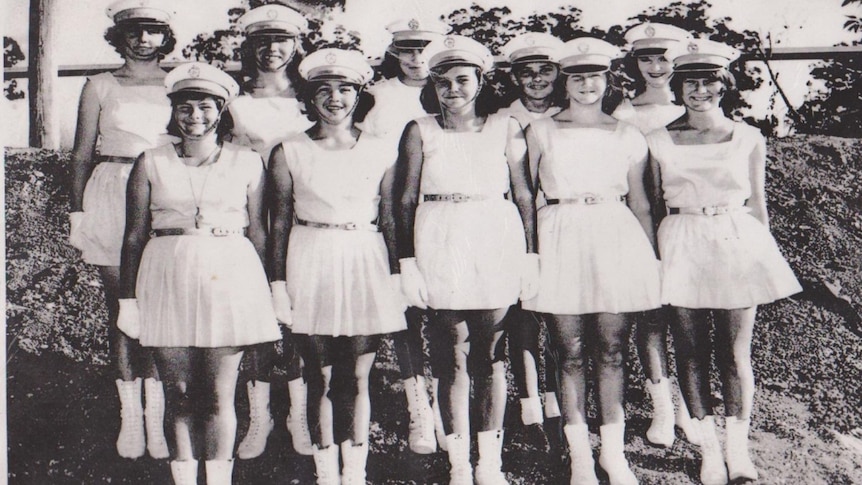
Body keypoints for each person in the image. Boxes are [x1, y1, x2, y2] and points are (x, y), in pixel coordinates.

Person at [646, 38, 802, 485]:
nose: (700, 91)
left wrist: (762, 259)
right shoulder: (657, 139)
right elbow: (655, 204)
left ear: (724, 85)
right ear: (678, 87)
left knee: (735, 354)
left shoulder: (749, 136)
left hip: (735, 240)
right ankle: (709, 452)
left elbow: (759, 205)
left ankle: (738, 452)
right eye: (690, 83)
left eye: (709, 81)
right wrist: (656, 258)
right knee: (690, 350)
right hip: (681, 240)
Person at [119, 61, 282, 484]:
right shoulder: (150, 161)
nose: (195, 117)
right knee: (179, 394)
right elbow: (134, 236)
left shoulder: (247, 162)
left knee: (216, 396)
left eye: (206, 107)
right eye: (185, 108)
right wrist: (128, 300)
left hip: (230, 277)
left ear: (222, 110)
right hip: (165, 276)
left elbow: (260, 232)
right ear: (172, 112)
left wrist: (269, 290)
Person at [395, 34, 538, 485]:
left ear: (481, 81)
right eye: (443, 82)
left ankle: (489, 464)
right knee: (451, 356)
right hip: (439, 237)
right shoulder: (420, 129)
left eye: (462, 80)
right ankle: (459, 464)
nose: (452, 89)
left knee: (492, 355)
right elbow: (403, 200)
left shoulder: (505, 127)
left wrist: (531, 256)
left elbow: (523, 194)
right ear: (432, 86)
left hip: (494, 236)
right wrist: (408, 261)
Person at [522, 37, 662, 485]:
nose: (586, 84)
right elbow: (525, 196)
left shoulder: (627, 133)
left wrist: (652, 261)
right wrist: (529, 256)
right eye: (577, 76)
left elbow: (640, 202)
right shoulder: (540, 130)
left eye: (595, 76)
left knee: (613, 349)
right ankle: (580, 455)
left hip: (614, 236)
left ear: (608, 80)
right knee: (569, 351)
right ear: (565, 82)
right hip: (560, 234)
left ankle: (613, 454)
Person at [268, 48, 407, 485]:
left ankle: (356, 474)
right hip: (310, 257)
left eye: (345, 89)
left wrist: (400, 275)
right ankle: (327, 473)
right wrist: (277, 283)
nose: (334, 98)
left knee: (359, 375)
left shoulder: (383, 150)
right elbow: (279, 223)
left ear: (358, 94)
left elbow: (388, 218)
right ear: (309, 98)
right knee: (321, 374)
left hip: (365, 260)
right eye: (323, 90)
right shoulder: (287, 150)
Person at [68, 0, 177, 460]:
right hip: (112, 190)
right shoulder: (99, 85)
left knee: (160, 308)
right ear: (120, 37)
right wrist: (77, 214)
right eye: (134, 31)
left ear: (165, 37)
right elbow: (80, 155)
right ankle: (132, 420)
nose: (143, 39)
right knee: (123, 308)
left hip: (165, 191)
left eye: (153, 31)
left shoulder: (180, 82)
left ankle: (159, 419)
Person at [360, 16, 448, 455]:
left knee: (451, 317)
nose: (417, 59)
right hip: (394, 214)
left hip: (448, 216)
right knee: (404, 314)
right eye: (408, 50)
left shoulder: (460, 89)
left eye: (425, 49)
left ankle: (451, 410)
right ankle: (420, 411)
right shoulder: (376, 97)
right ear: (394, 52)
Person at [230, 3, 314, 460]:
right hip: (252, 224)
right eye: (261, 41)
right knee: (257, 319)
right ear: (249, 46)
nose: (271, 49)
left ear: (296, 45)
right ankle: (259, 415)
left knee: (298, 318)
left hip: (302, 223)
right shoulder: (234, 102)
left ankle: (298, 414)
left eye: (280, 40)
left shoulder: (311, 96)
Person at [615, 22, 699, 448]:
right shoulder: (625, 114)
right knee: (650, 319)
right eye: (645, 58)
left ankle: (689, 407)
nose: (655, 66)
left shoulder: (696, 106)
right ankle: (661, 408)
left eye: (663, 57)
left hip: (689, 223)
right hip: (645, 224)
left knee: (688, 320)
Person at [497, 31, 565, 430]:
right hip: (515, 221)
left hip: (557, 222)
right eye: (528, 73)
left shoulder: (570, 113)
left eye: (545, 71)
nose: (537, 80)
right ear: (515, 79)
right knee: (521, 316)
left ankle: (556, 400)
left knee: (556, 314)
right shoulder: (505, 119)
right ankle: (528, 402)